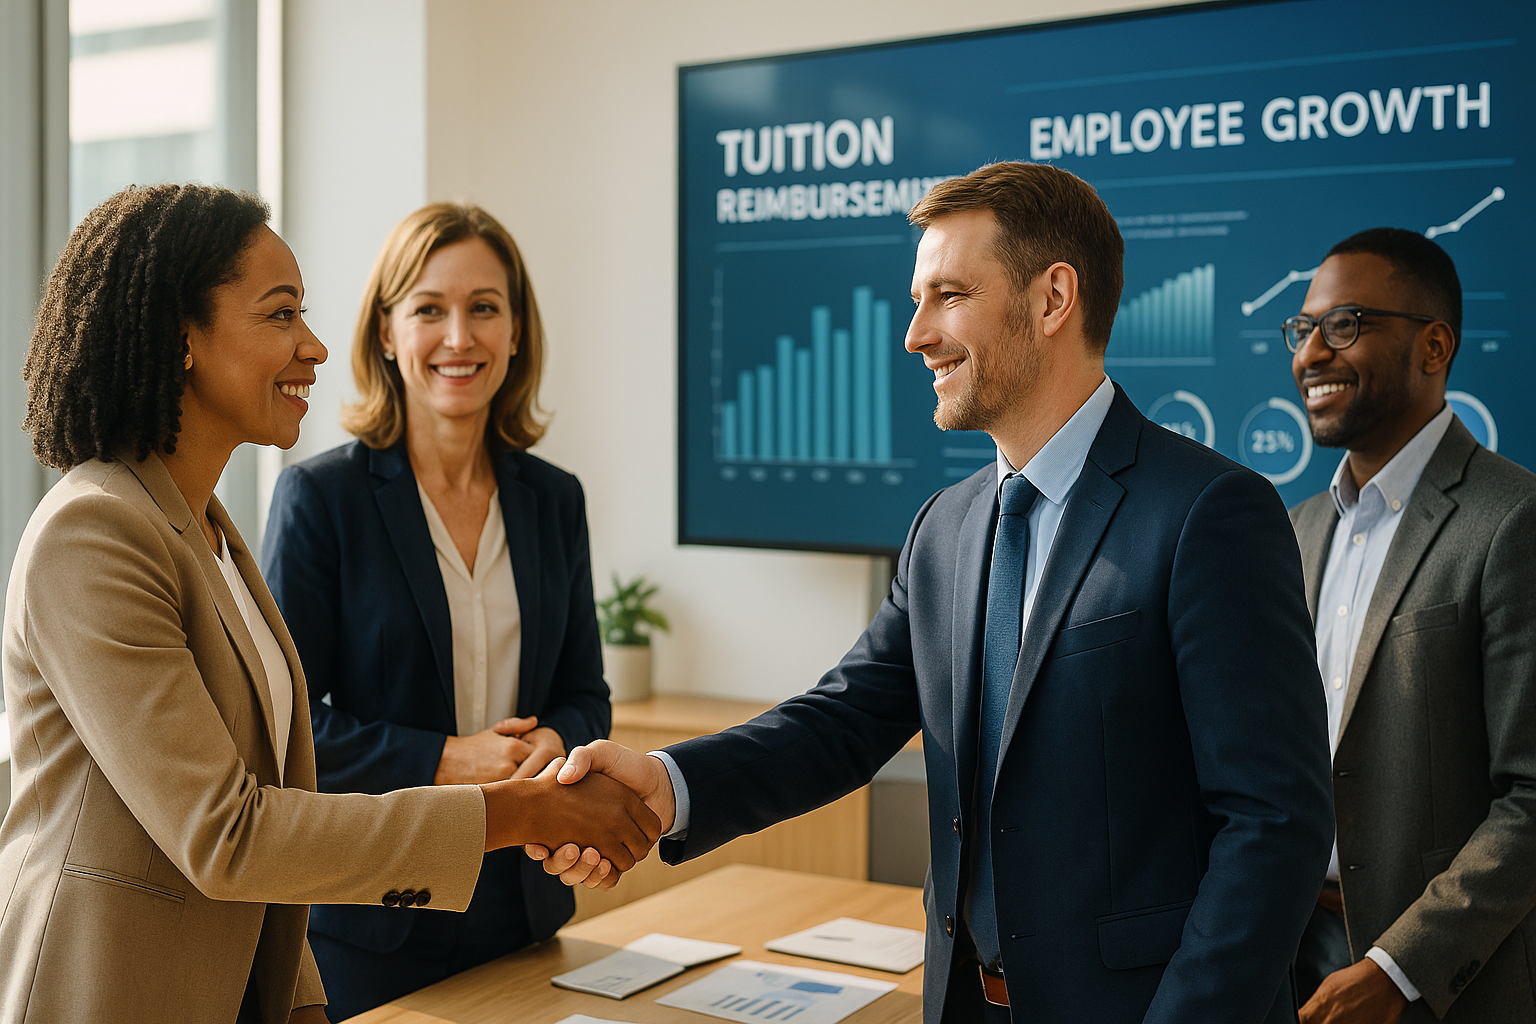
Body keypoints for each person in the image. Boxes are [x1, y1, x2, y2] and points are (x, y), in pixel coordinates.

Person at [536, 161, 1335, 1023]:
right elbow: (843, 720)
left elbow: (1273, 825)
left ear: (1052, 298)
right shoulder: (943, 529)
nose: (915, 333)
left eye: (947, 295)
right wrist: (667, 782)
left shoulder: (1209, 514)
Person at [0, 183, 659, 1024]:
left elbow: (283, 793)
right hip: (116, 993)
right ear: (182, 336)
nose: (312, 344)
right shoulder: (92, 534)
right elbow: (228, 834)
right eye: (279, 315)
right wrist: (520, 805)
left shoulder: (211, 534)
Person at [259, 202, 613, 1018]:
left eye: (483, 308)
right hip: (377, 919)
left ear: (516, 330)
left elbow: (584, 690)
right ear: (387, 332)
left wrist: (554, 741)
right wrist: (452, 760)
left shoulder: (554, 500)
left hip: (523, 905)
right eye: (429, 309)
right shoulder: (322, 498)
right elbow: (289, 727)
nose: (460, 337)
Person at [1285, 228, 1536, 1024]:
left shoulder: (1512, 522)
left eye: (1346, 324)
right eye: (1303, 329)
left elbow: (1531, 795)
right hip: (1283, 953)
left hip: (1440, 983)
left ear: (1433, 346)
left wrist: (1399, 969)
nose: (1312, 353)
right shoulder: (1292, 531)